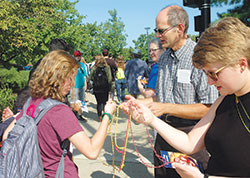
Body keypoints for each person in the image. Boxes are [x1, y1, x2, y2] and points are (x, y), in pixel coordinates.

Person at [122, 16, 250, 178]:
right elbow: (190, 143)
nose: (210, 82)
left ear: (241, 64)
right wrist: (151, 120)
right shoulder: (224, 100)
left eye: (213, 73)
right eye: (206, 74)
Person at [134, 5, 218, 178]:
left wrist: (166, 108)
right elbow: (161, 97)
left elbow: (210, 106)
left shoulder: (199, 58)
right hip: (163, 134)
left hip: (191, 137)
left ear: (180, 28)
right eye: (157, 30)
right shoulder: (164, 58)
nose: (158, 35)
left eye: (161, 30)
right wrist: (141, 103)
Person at [3, 50, 116, 178]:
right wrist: (107, 115)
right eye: (70, 78)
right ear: (59, 77)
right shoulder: (59, 111)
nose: (73, 83)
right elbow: (91, 151)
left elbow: (7, 135)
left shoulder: (32, 101)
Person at [89, 55, 112, 122]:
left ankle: (99, 117)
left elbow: (90, 77)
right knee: (105, 102)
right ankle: (105, 117)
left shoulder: (94, 67)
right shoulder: (107, 67)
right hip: (105, 88)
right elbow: (109, 78)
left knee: (99, 103)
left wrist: (96, 81)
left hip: (97, 88)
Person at [70, 50, 88, 121]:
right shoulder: (72, 65)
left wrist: (85, 85)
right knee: (73, 102)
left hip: (81, 86)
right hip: (74, 86)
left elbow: (85, 76)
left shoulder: (82, 65)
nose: (78, 57)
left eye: (79, 56)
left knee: (81, 102)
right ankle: (73, 115)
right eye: (76, 56)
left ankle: (79, 115)